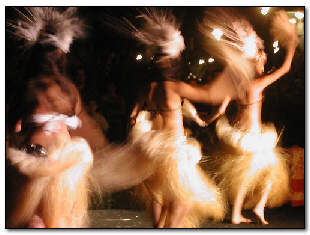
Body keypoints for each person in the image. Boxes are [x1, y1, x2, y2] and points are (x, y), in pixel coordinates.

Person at [6, 7, 175, 228]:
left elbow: (15, 126)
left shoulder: (28, 88)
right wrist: (110, 154)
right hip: (66, 160)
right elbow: (86, 126)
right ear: (61, 59)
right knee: (57, 219)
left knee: (32, 221)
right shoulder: (69, 90)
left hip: (37, 157)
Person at [127, 8, 229, 228]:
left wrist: (137, 116)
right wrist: (231, 71)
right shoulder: (175, 87)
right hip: (173, 148)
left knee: (158, 193)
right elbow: (209, 94)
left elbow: (134, 113)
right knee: (183, 198)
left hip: (152, 145)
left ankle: (158, 227)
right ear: (175, 64)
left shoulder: (150, 86)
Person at [199, 9, 298, 224]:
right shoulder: (255, 84)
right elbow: (285, 69)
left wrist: (208, 119)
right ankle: (255, 208)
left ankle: (242, 212)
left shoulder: (236, 85)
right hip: (252, 138)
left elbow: (221, 109)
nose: (264, 64)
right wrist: (292, 42)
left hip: (238, 133)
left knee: (247, 175)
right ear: (254, 65)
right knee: (269, 172)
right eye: (262, 61)